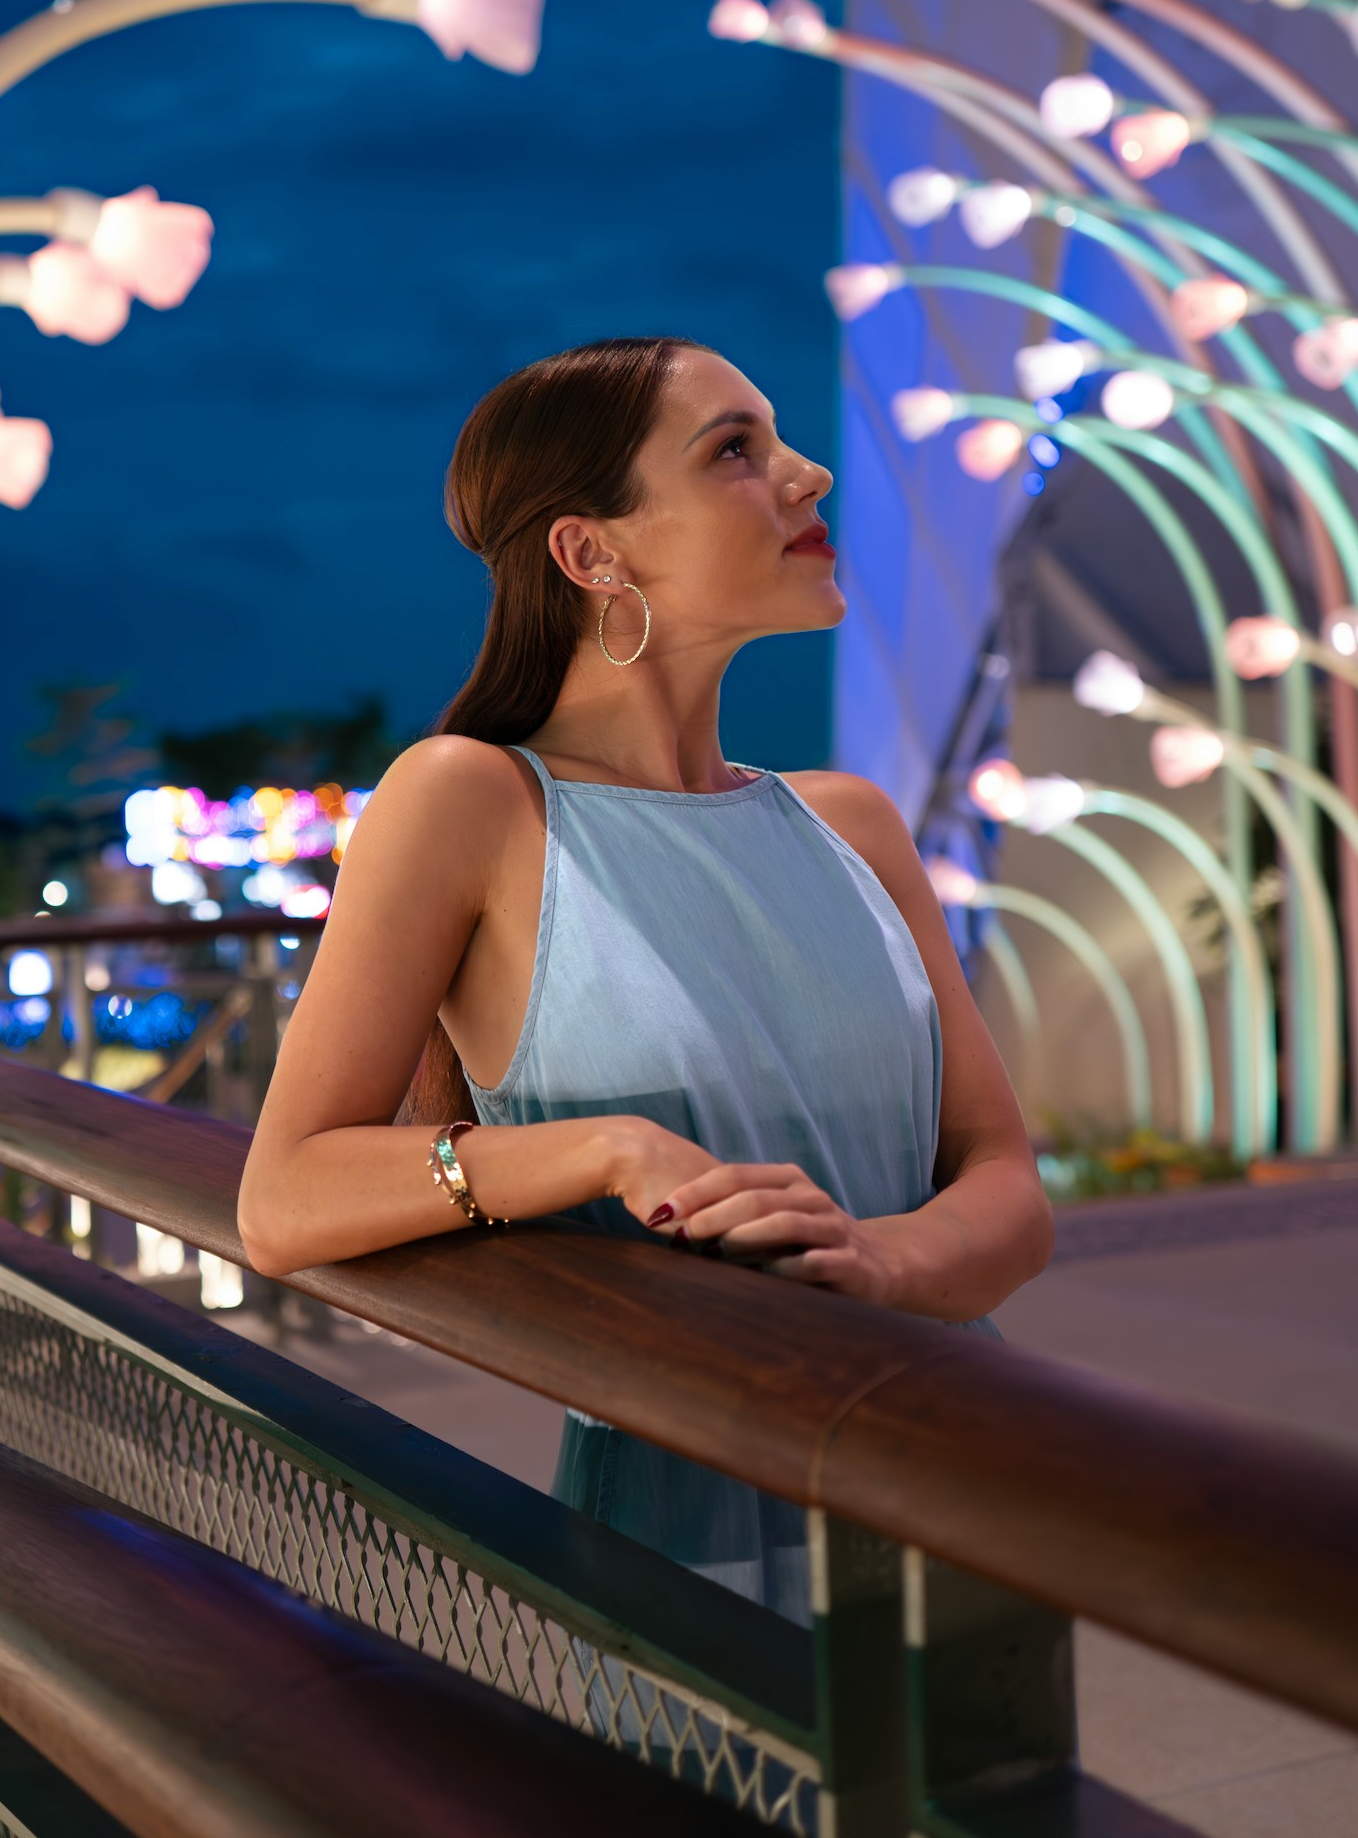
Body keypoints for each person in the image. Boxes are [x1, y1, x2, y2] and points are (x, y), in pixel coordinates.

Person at [236, 335, 1050, 1616]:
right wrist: (602, 1151)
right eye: (736, 451)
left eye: (776, 440)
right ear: (590, 551)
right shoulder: (470, 800)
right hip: (691, 1516)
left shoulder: (853, 827)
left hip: (952, 1472)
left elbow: (1006, 1184)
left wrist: (879, 1269)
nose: (808, 474)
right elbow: (283, 1195)